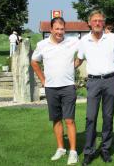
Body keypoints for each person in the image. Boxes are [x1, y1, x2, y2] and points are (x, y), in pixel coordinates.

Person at [75, 10, 114, 165]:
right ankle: (89, 151)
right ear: (89, 22)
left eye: (100, 20)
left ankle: (105, 149)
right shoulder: (84, 40)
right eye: (94, 20)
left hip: (110, 80)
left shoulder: (112, 38)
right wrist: (63, 68)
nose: (97, 23)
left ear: (103, 22)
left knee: (108, 117)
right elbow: (79, 60)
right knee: (91, 117)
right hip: (93, 82)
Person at [31, 17, 79, 165]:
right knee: (56, 119)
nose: (59, 32)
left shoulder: (73, 41)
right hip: (51, 88)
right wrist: (44, 81)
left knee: (69, 120)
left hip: (68, 86)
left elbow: (83, 53)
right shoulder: (42, 45)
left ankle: (73, 152)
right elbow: (34, 62)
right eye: (57, 29)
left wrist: (75, 65)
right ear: (51, 29)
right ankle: (60, 148)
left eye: (62, 29)